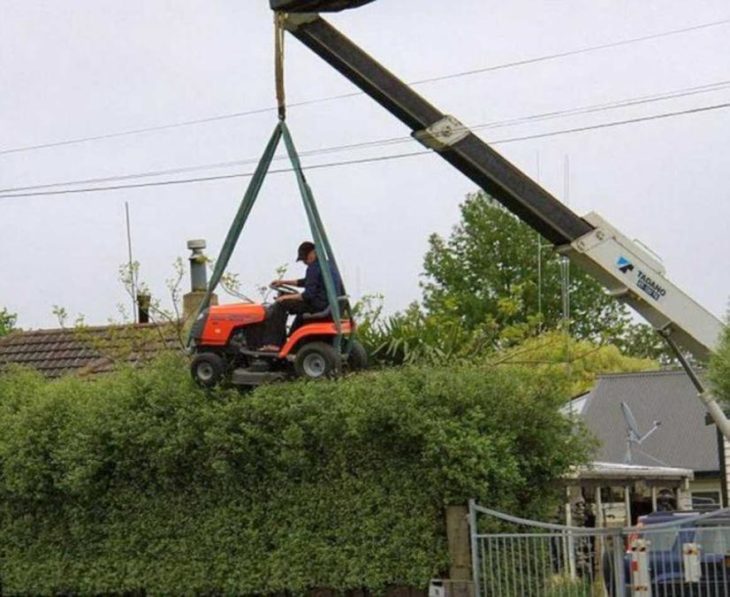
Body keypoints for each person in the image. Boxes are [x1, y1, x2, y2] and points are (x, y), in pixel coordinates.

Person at [259, 241, 344, 351]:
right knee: (291, 304)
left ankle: (273, 344)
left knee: (280, 305)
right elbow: (306, 282)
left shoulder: (314, 267)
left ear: (313, 253)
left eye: (305, 258)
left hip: (319, 305)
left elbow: (307, 296)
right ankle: (291, 341)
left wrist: (284, 298)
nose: (304, 262)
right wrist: (283, 282)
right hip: (327, 305)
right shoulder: (327, 265)